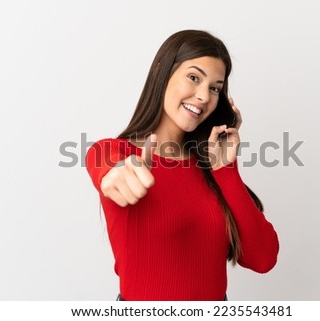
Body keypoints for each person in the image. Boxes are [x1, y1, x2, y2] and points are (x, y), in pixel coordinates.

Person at [85, 29, 279, 301]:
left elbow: (263, 259)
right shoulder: (119, 153)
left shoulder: (211, 169)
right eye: (193, 77)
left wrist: (225, 170)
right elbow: (102, 158)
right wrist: (112, 174)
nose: (203, 96)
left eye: (214, 88)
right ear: (162, 73)